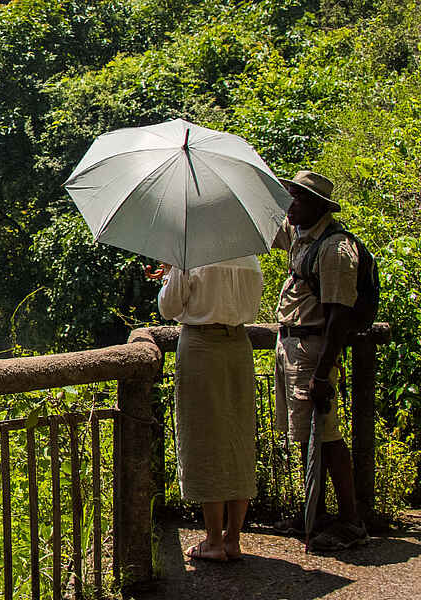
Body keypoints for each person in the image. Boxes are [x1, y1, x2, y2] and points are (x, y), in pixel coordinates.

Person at [271, 170, 369, 552]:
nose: (289, 205)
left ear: (318, 206)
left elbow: (338, 316)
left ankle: (351, 520)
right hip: (293, 343)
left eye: (296, 199)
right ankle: (316, 511)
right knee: (306, 434)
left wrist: (324, 371)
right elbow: (265, 231)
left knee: (326, 435)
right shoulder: (300, 235)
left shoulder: (335, 249)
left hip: (314, 348)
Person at [151, 253, 264, 561]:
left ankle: (213, 539)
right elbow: (252, 301)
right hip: (239, 345)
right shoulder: (249, 258)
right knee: (238, 438)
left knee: (204, 438)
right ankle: (233, 539)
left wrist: (171, 273)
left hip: (201, 347)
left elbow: (168, 307)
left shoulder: (191, 256)